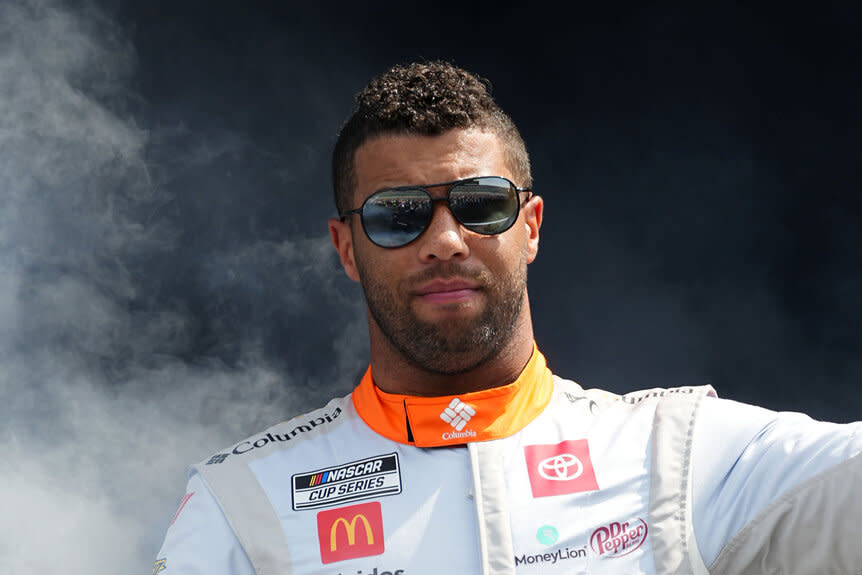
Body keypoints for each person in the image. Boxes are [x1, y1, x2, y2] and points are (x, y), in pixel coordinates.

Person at [153, 61, 862, 575]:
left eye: (480, 203)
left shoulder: (677, 453)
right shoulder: (242, 504)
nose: (444, 239)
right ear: (346, 246)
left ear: (530, 225)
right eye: (397, 215)